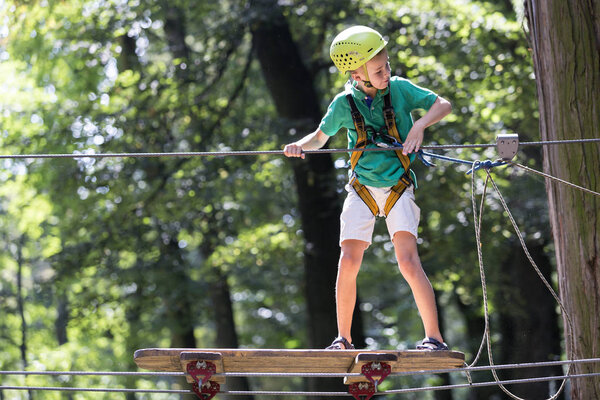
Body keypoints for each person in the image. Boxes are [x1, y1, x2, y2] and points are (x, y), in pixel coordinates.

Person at [283, 26, 452, 351]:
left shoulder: (400, 90)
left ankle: (434, 338)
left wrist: (419, 125)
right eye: (378, 70)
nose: (386, 73)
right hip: (361, 186)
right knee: (348, 259)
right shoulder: (344, 104)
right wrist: (298, 146)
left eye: (387, 65)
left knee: (407, 261)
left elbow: (442, 105)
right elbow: (320, 138)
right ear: (356, 73)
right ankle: (342, 339)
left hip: (397, 185)